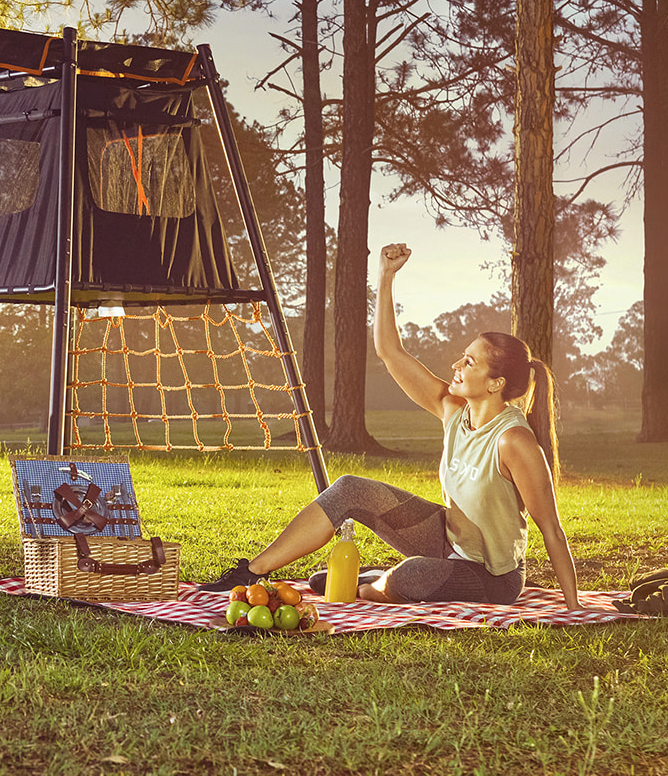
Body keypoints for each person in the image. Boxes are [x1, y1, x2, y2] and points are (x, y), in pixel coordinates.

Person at [200, 242, 592, 608]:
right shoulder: (453, 410)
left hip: (490, 576)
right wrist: (386, 276)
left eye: (469, 362)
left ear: (496, 384)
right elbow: (390, 351)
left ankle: (366, 586)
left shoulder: (513, 442)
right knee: (349, 488)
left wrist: (574, 608)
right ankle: (252, 571)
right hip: (446, 538)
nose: (456, 365)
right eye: (461, 356)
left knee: (410, 576)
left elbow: (552, 530)